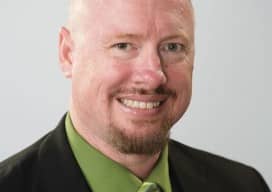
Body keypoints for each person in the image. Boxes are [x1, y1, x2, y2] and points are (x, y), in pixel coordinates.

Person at [0, 0, 270, 191]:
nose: (153, 76)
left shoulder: (244, 185)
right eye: (123, 45)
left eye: (173, 47)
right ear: (68, 54)